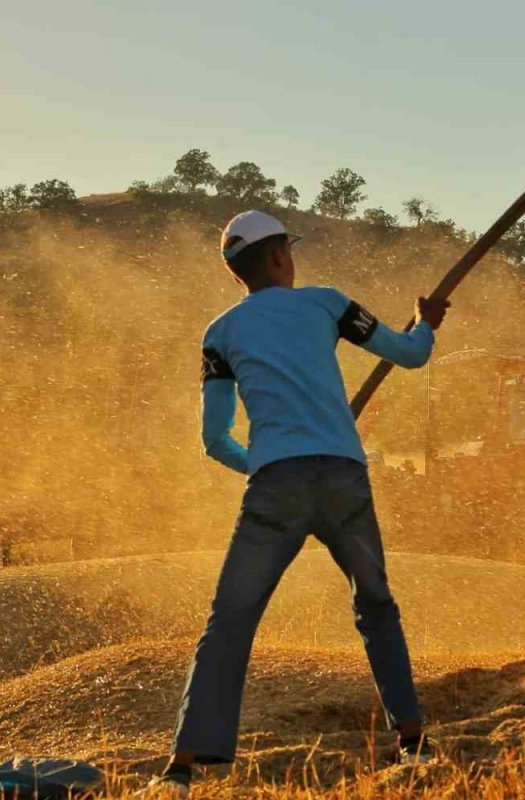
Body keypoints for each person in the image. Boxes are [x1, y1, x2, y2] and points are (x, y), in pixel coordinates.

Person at [148, 210, 449, 797]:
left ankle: (180, 770)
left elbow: (215, 441)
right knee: (376, 605)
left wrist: (260, 462)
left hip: (275, 488)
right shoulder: (327, 305)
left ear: (239, 272)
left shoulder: (220, 333)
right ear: (281, 256)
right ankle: (413, 742)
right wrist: (425, 324)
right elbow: (410, 356)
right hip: (343, 480)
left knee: (229, 622)